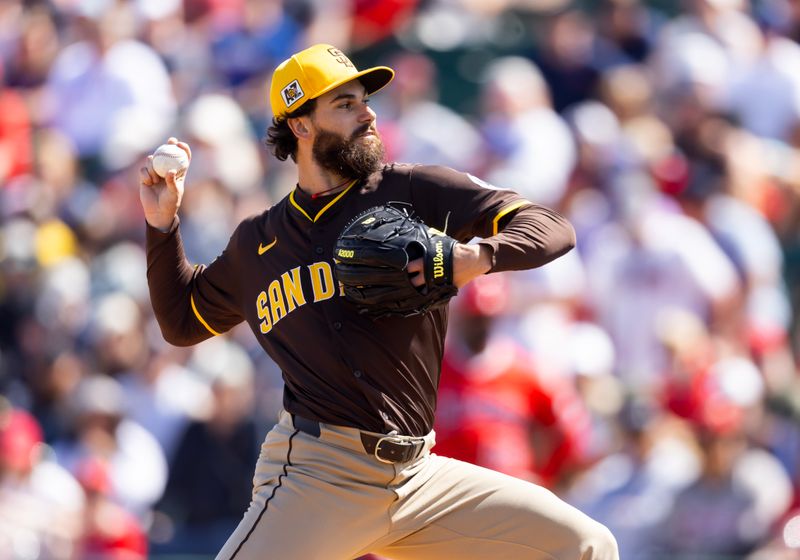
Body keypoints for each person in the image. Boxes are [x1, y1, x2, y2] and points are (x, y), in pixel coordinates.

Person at [139, 43, 619, 560]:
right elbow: (183, 321)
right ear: (300, 125)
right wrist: (162, 226)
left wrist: (476, 256)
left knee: (585, 546)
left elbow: (552, 227)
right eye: (344, 104)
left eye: (364, 100)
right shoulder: (259, 243)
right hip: (320, 475)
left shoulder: (415, 190)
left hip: (420, 475)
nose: (368, 113)